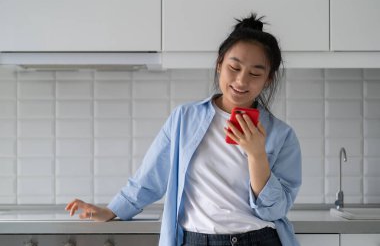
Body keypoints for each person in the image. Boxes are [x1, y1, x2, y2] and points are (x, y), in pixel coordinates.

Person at [66, 13, 302, 246]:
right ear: (220, 63)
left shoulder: (282, 136)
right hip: (195, 240)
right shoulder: (184, 119)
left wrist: (257, 155)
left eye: (255, 73)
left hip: (259, 239)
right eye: (234, 67)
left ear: (268, 79)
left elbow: (275, 211)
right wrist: (111, 210)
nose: (241, 81)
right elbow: (150, 178)